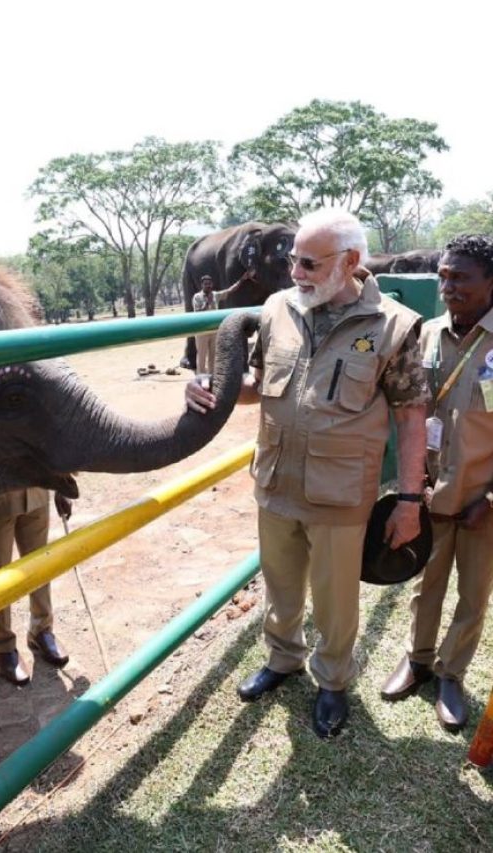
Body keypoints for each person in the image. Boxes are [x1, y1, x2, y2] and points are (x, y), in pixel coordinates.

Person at [186, 208, 429, 738]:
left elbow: (412, 419)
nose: (295, 271)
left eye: (309, 263)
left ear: (351, 262)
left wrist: (410, 499)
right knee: (280, 583)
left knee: (336, 596)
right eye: (293, 259)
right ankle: (282, 658)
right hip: (275, 480)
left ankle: (333, 681)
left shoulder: (392, 326)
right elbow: (255, 386)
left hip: (341, 491)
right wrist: (214, 389)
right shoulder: (276, 309)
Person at [381, 234, 493, 732]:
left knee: (472, 594)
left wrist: (490, 499)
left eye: (461, 277)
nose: (448, 286)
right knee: (425, 584)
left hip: (480, 503)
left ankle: (451, 673)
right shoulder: (425, 335)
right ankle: (418, 659)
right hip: (428, 493)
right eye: (444, 276)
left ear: (490, 282)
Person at [0, 479, 78, 685]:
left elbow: (51, 445)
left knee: (40, 567)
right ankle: (2, 647)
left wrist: (60, 483)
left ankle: (41, 630)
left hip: (37, 490)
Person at [192, 273, 246, 374]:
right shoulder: (197, 297)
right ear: (202, 285)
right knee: (201, 356)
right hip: (201, 331)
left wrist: (242, 279)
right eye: (205, 284)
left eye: (209, 283)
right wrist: (207, 302)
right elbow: (198, 313)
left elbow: (230, 290)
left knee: (213, 355)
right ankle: (200, 377)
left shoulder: (215, 295)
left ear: (211, 284)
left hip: (214, 330)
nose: (207, 286)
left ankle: (212, 377)